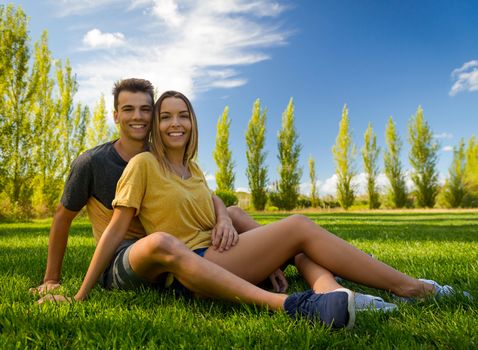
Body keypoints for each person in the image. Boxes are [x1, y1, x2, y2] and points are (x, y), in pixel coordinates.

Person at [46, 90, 464, 329]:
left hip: (211, 251)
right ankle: (408, 288)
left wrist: (225, 216)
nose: (175, 124)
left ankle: (333, 292)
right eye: (166, 117)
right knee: (298, 225)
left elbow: (206, 203)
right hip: (196, 264)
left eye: (184, 116)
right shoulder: (141, 164)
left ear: (193, 122)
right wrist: (79, 294)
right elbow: (118, 228)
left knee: (282, 236)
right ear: (154, 125)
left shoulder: (191, 169)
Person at [31, 78, 287, 298]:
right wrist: (51, 278)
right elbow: (62, 219)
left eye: (145, 109)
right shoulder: (93, 163)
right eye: (128, 109)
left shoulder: (164, 158)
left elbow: (208, 196)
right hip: (137, 254)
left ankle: (285, 259)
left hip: (172, 250)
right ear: (115, 115)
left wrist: (223, 219)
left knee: (234, 213)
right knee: (166, 244)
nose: (138, 117)